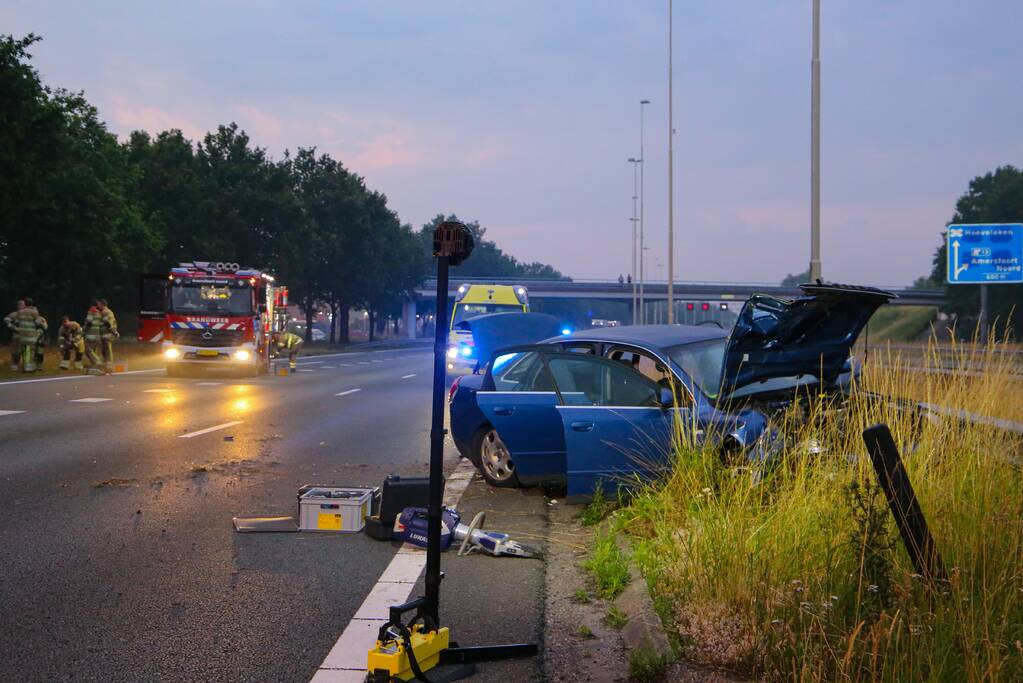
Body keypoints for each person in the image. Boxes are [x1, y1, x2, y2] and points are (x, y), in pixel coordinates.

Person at [83, 299, 118, 374]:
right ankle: (106, 367)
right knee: (105, 352)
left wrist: (114, 332)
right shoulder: (108, 311)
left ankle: (107, 367)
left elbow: (107, 323)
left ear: (102, 305)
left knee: (106, 352)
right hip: (103, 335)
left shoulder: (104, 312)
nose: (98, 306)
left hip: (105, 335)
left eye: (99, 304)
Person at [13, 298, 46, 372]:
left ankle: (25, 366)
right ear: (32, 304)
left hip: (22, 336)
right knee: (31, 351)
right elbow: (38, 323)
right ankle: (29, 367)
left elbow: (16, 322)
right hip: (31, 335)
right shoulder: (34, 312)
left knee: (24, 351)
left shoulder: (20, 312)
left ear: (25, 304)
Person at [5, 299, 25, 371]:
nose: (22, 306)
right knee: (15, 352)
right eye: (20, 305)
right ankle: (14, 365)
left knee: (27, 351)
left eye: (23, 304)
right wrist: (13, 327)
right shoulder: (14, 314)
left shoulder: (28, 314)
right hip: (17, 336)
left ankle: (26, 366)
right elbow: (6, 320)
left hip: (27, 336)